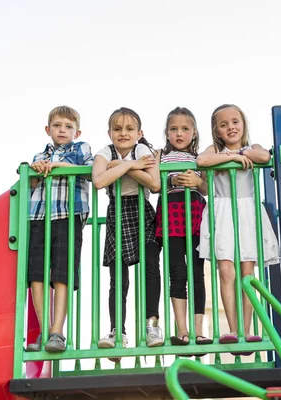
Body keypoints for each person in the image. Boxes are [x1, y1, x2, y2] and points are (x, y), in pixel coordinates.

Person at [197, 104, 279, 354]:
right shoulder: (216, 150)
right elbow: (203, 160)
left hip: (247, 212)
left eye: (235, 122)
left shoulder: (252, 148)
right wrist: (232, 157)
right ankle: (233, 329)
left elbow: (264, 157)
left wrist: (242, 152)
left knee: (247, 272)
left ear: (243, 125)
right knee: (225, 271)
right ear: (217, 130)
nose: (230, 127)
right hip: (222, 210)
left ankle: (247, 329)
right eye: (224, 124)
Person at [92, 107, 164, 358]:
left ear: (139, 132)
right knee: (118, 278)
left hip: (141, 210)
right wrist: (133, 166)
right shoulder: (104, 152)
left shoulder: (142, 150)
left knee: (151, 268)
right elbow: (99, 181)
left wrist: (122, 166)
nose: (123, 133)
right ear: (110, 132)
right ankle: (117, 331)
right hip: (117, 213)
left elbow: (154, 184)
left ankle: (152, 325)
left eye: (129, 129)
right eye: (117, 128)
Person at [26, 105, 94, 352]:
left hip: (68, 214)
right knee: (36, 274)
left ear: (77, 131)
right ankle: (44, 331)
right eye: (57, 125)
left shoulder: (81, 148)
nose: (62, 130)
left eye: (68, 126)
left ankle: (57, 332)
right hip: (38, 216)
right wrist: (35, 170)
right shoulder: (38, 156)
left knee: (62, 274)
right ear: (48, 129)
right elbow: (30, 183)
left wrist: (57, 167)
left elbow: (90, 172)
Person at [155, 107, 212, 348]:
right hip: (171, 216)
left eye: (185, 129)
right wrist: (171, 179)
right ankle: (182, 329)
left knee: (197, 273)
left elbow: (210, 189)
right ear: (167, 133)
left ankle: (198, 330)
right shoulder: (160, 156)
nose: (179, 133)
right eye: (174, 129)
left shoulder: (201, 158)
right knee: (177, 272)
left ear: (194, 132)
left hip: (196, 216)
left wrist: (199, 182)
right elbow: (154, 184)